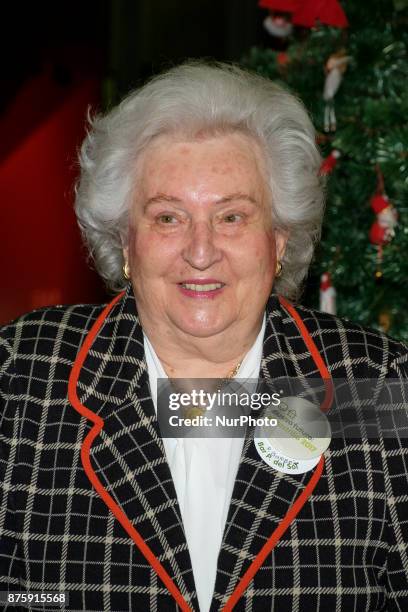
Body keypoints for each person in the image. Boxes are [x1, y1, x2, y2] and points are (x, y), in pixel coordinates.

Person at [1, 61, 407, 612]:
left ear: (280, 238)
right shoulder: (23, 376)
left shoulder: (376, 383)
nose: (200, 251)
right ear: (125, 240)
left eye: (232, 217)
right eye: (168, 218)